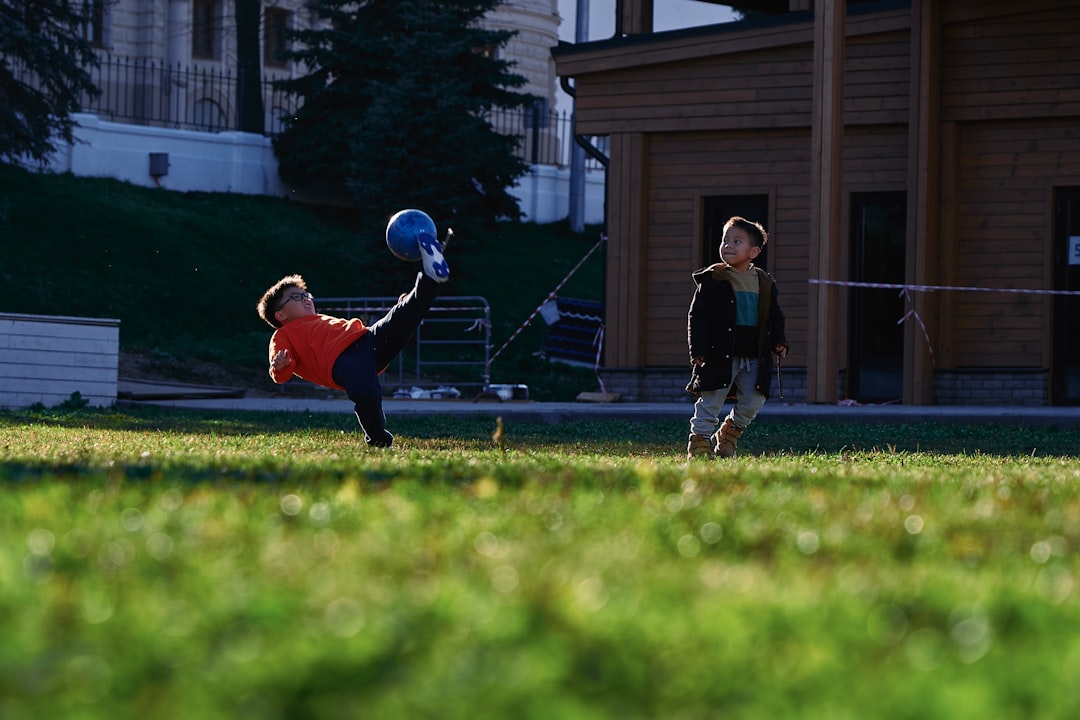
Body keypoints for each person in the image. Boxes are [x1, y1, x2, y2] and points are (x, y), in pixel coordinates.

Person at [256, 226, 451, 448]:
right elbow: (280, 375)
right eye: (296, 297)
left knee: (406, 313)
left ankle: (430, 277)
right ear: (280, 314)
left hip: (368, 338)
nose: (305, 298)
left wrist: (398, 308)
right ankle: (378, 438)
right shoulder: (283, 335)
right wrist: (280, 365)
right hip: (343, 361)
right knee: (367, 394)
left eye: (306, 294)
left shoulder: (318, 318)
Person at [685, 216, 788, 460]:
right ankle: (698, 445)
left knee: (754, 400)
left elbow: (775, 317)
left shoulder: (764, 282)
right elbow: (697, 316)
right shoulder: (713, 279)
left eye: (736, 241)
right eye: (725, 240)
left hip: (755, 355)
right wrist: (698, 349)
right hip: (718, 353)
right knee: (711, 400)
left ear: (754, 251)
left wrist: (779, 341)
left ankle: (728, 435)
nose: (727, 245)